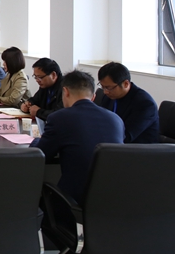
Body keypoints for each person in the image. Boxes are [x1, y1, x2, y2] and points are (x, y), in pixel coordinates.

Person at [30, 70, 125, 204]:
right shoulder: (116, 119)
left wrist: (36, 140)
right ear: (93, 97)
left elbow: (40, 154)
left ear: (65, 92)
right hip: (114, 196)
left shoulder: (59, 118)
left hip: (75, 197)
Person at [97, 62, 159, 143]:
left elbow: (126, 136)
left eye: (109, 88)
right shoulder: (109, 97)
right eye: (103, 87)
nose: (105, 92)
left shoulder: (145, 104)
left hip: (137, 148)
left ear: (126, 84)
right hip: (113, 143)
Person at [21, 58, 64, 122]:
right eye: (35, 77)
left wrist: (39, 112)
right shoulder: (45, 86)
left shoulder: (65, 89)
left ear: (53, 75)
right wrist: (27, 104)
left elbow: (59, 114)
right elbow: (35, 100)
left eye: (40, 77)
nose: (37, 80)